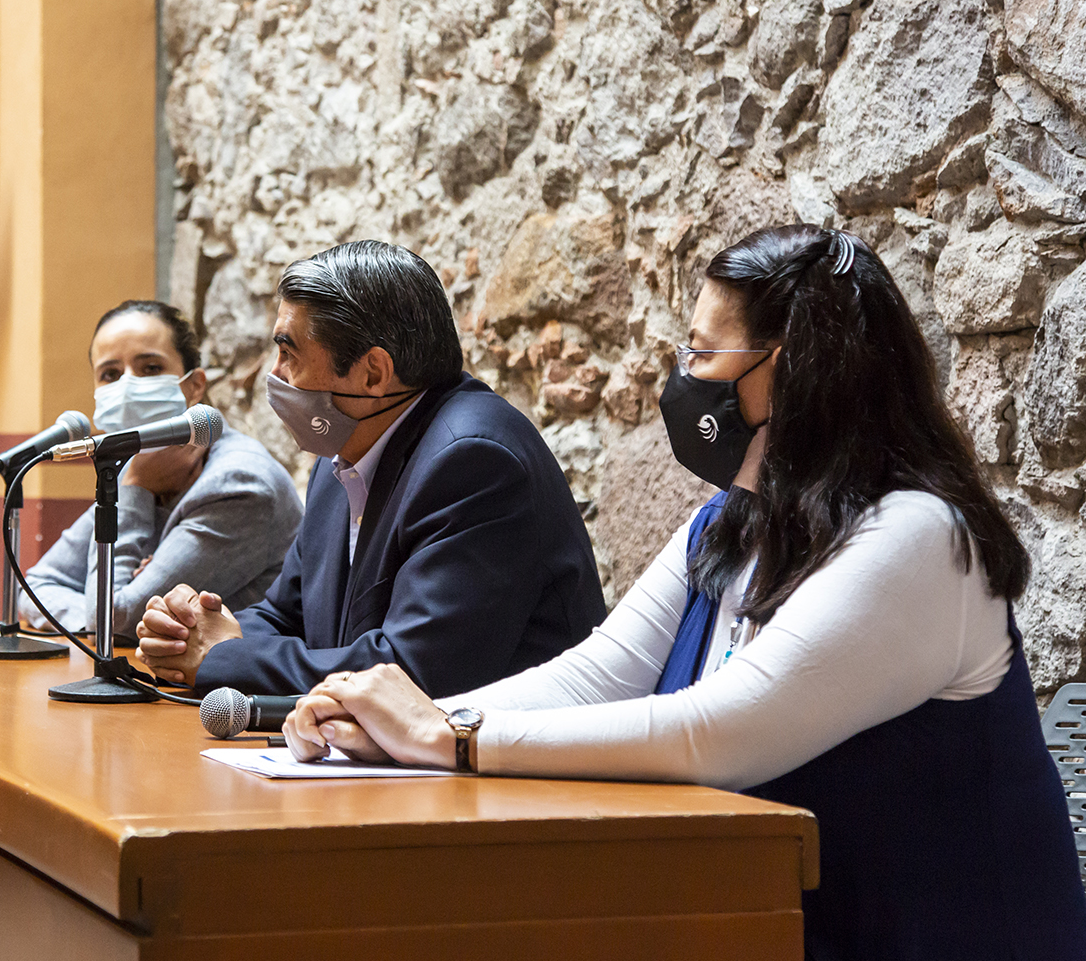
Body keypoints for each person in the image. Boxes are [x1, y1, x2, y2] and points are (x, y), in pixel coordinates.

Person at [283, 226, 1086, 960]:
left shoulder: (919, 536)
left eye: (703, 355)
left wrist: (450, 741)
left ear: (793, 367)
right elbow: (596, 676)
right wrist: (409, 733)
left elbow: (718, 732)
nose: (683, 379)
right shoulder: (732, 519)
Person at [135, 240, 608, 697]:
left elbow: (412, 672)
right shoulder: (339, 456)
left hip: (509, 770)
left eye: (290, 353)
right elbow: (285, 616)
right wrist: (190, 632)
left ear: (374, 374)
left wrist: (221, 658)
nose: (274, 376)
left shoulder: (474, 463)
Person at [19, 301, 303, 642]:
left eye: (151, 368)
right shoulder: (147, 465)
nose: (127, 386)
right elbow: (38, 586)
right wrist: (95, 617)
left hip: (219, 689)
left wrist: (136, 487)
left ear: (194, 385)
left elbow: (113, 622)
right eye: (110, 374)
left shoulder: (239, 484)